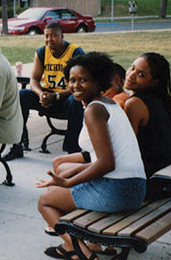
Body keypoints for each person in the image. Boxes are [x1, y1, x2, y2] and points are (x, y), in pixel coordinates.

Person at [36, 52, 146, 260]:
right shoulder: (110, 104)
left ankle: (84, 255)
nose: (76, 85)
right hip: (135, 188)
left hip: (116, 191)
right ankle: (84, 246)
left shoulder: (94, 111)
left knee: (45, 202)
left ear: (98, 81)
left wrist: (68, 184)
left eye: (83, 80)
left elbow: (106, 164)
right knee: (64, 174)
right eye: (72, 80)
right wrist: (71, 174)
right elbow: (103, 160)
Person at [4, 22, 85, 161]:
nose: (49, 39)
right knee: (22, 95)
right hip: (48, 96)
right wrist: (41, 94)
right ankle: (17, 144)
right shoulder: (42, 52)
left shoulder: (75, 53)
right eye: (46, 36)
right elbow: (34, 80)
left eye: (54, 36)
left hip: (66, 98)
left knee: (76, 99)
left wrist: (57, 96)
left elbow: (81, 85)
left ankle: (72, 150)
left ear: (62, 36)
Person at [124, 53, 171, 199]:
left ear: (154, 81)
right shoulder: (162, 98)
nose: (131, 75)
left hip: (149, 183)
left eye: (141, 74)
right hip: (166, 177)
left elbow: (125, 149)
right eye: (132, 68)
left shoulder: (134, 104)